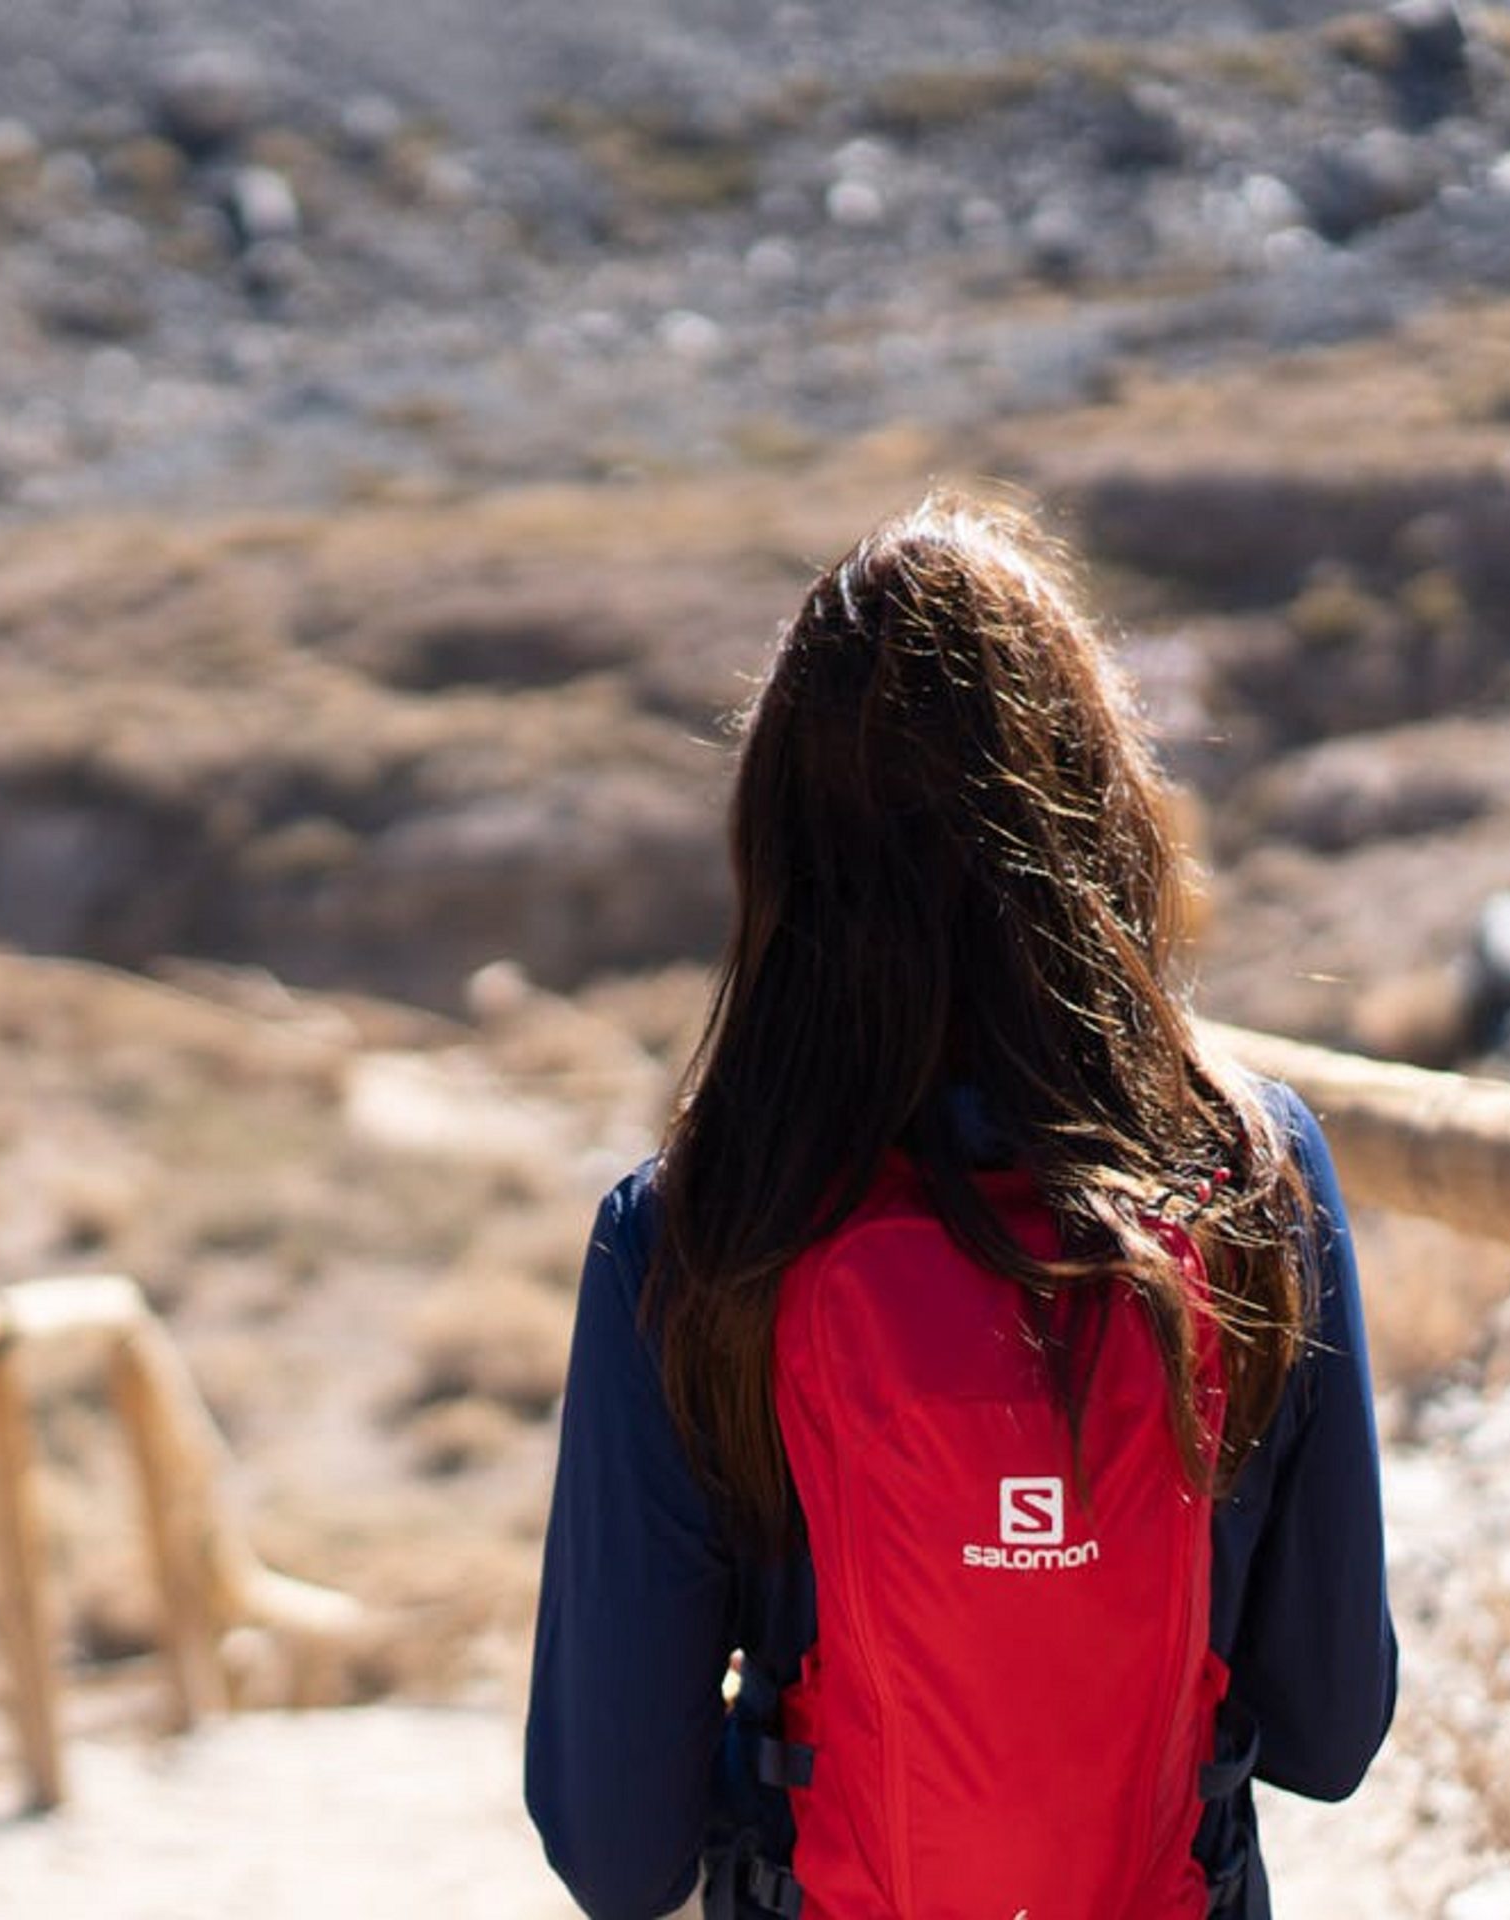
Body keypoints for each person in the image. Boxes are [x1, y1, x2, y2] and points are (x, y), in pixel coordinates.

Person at [524, 494, 1396, 1918]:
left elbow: (615, 1848)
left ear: (783, 848)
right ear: (1098, 803)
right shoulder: (1249, 1172)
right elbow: (1330, 1728)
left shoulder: (697, 1230)